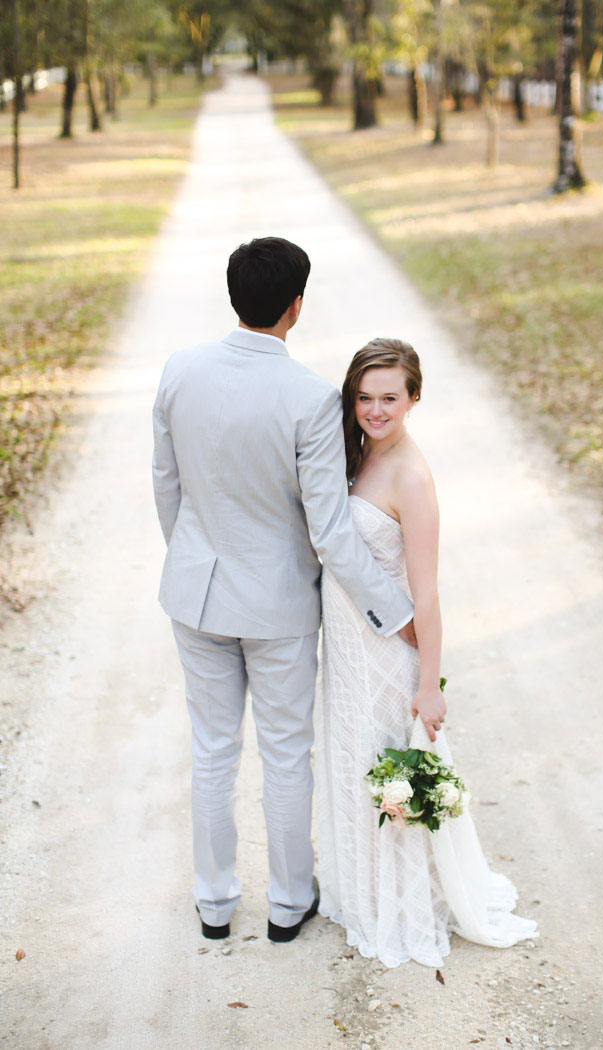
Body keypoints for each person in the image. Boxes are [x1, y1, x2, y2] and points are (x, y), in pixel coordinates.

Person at [152, 238, 419, 942]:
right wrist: (396, 612)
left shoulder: (179, 371)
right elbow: (331, 533)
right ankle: (286, 902)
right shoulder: (308, 399)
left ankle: (213, 905)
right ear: (296, 306)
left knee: (211, 750)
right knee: (283, 752)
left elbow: (166, 485)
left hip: (196, 597)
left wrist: (192, 559)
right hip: (278, 609)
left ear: (235, 296)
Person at [315, 337, 538, 967]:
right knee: (351, 769)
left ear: (414, 397)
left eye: (389, 397)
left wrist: (430, 685)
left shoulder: (410, 475)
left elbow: (426, 592)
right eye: (364, 397)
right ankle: (363, 896)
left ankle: (408, 907)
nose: (375, 410)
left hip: (387, 662)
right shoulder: (356, 453)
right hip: (348, 656)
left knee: (389, 780)